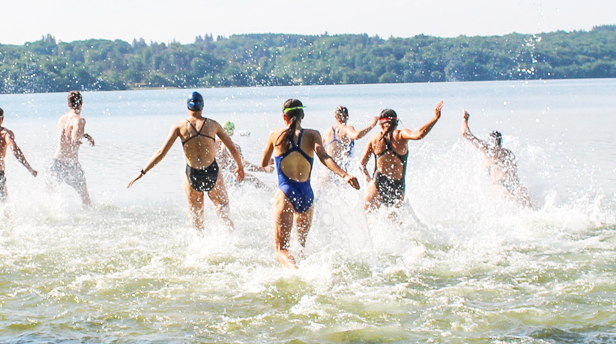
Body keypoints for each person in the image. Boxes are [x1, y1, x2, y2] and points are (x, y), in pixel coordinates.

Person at [254, 98, 360, 267]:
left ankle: (295, 271)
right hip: (306, 195)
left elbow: (264, 163)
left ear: (284, 117)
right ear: (302, 115)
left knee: (282, 250)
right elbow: (325, 158)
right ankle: (304, 269)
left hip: (286, 192)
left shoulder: (275, 135)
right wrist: (345, 175)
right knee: (301, 247)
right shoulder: (312, 135)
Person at [127, 90, 246, 230]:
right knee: (222, 208)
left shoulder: (179, 126)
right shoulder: (214, 125)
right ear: (202, 106)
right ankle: (231, 240)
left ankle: (200, 246)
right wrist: (240, 167)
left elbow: (161, 153)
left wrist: (142, 172)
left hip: (192, 175)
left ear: (188, 107)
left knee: (197, 220)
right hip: (212, 171)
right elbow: (232, 149)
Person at [359, 100, 443, 214]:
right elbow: (419, 134)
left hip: (377, 182)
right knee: (396, 227)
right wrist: (435, 118)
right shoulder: (401, 135)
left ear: (380, 124)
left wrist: (369, 181)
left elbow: (361, 165)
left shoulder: (374, 139)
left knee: (367, 218)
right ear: (397, 122)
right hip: (397, 185)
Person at [463, 113, 531, 207]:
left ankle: (532, 214)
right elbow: (466, 134)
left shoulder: (502, 153)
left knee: (523, 191)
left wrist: (464, 120)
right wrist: (465, 120)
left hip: (511, 183)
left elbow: (466, 134)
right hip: (499, 185)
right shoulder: (490, 151)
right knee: (507, 193)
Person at [50, 91, 96, 205]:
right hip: (70, 164)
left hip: (56, 162)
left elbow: (68, 132)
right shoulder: (79, 120)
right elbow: (74, 133)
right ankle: (88, 219)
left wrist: (84, 135)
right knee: (85, 198)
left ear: (68, 104)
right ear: (81, 104)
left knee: (50, 196)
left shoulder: (62, 119)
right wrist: (76, 139)